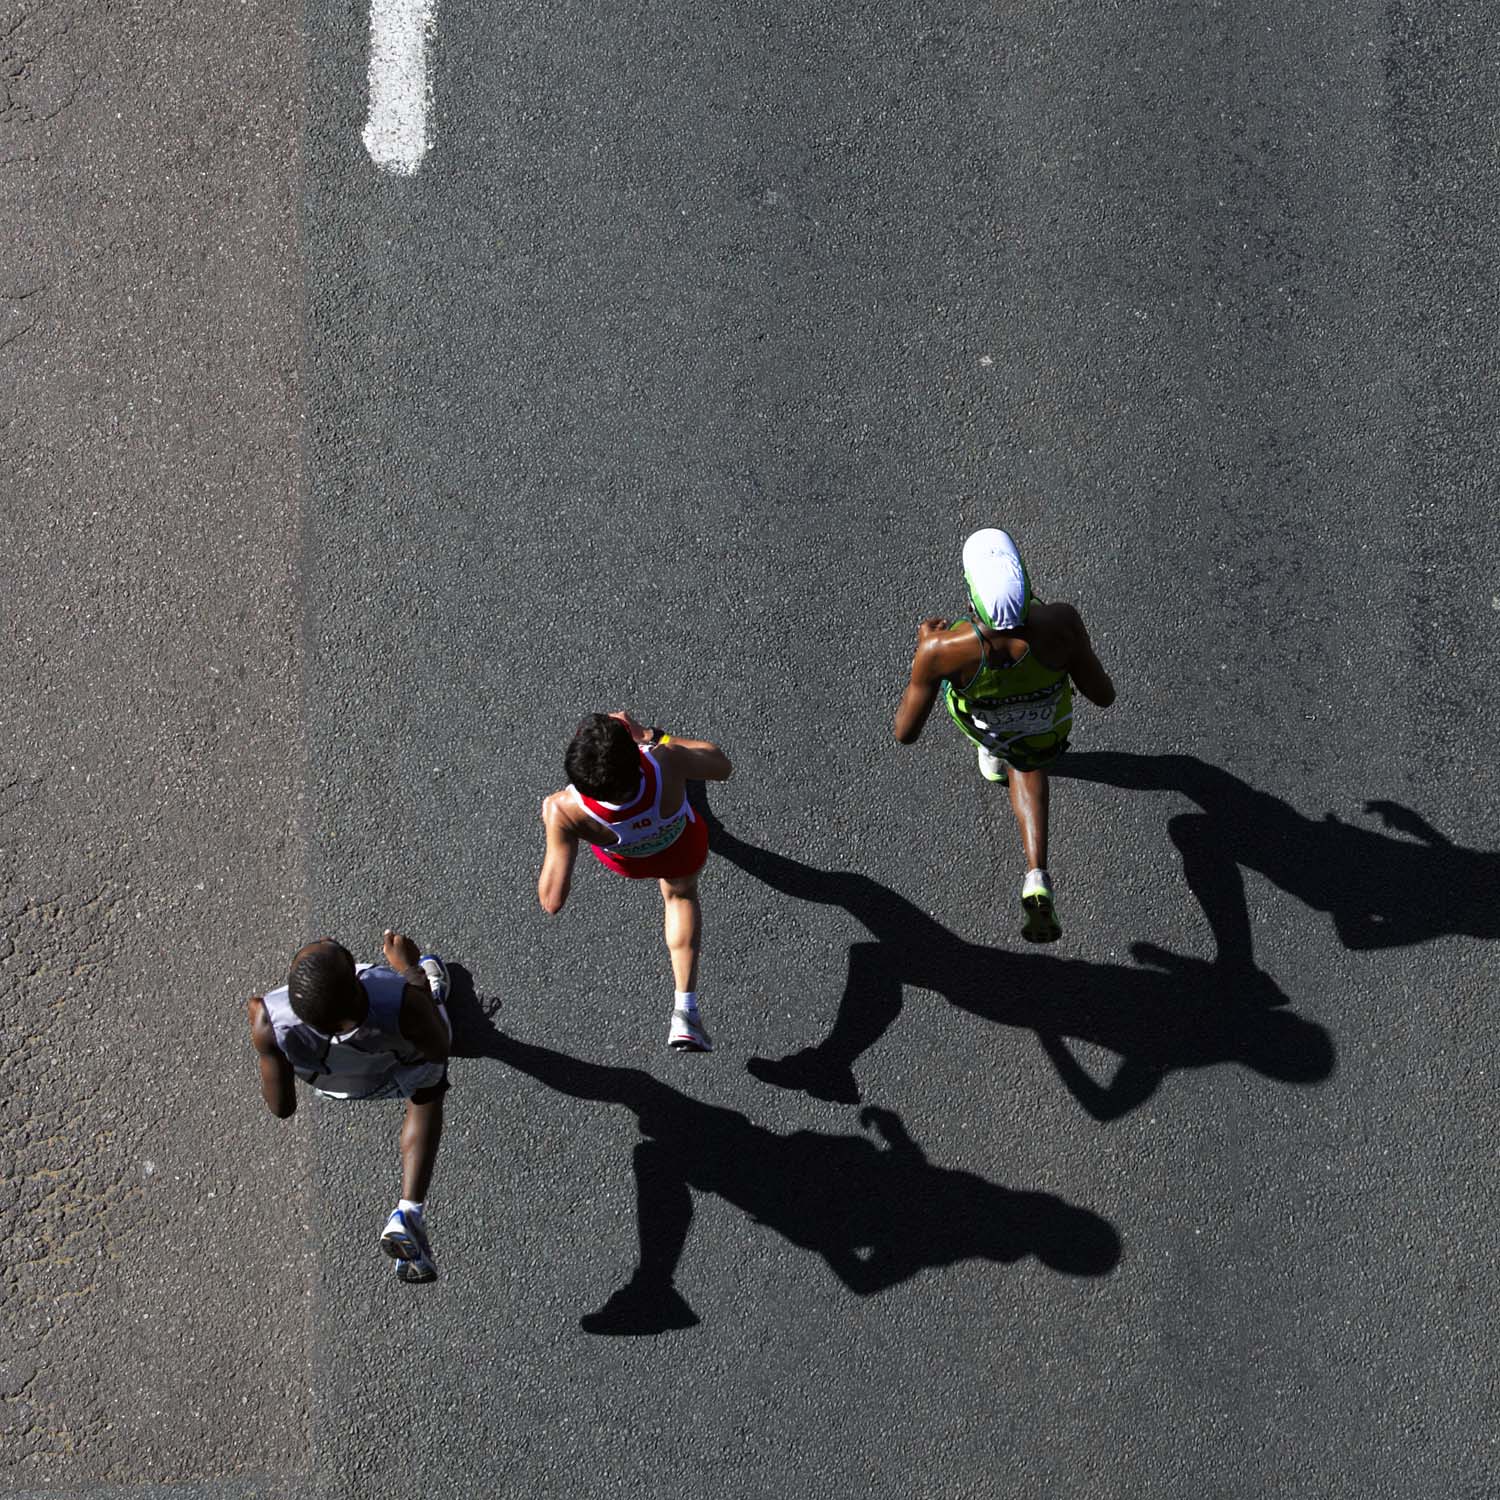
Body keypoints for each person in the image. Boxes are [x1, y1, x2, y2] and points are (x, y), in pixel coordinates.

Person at [892, 528, 1116, 942]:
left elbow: (904, 732)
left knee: (1009, 754)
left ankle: (995, 755)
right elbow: (1103, 695)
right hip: (1048, 731)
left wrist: (926, 649)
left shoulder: (942, 649)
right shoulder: (1061, 621)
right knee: (1029, 763)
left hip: (992, 729)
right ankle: (1035, 874)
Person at [247, 929, 452, 1283]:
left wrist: (269, 1047)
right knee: (427, 1092)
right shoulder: (399, 1000)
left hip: (341, 1086)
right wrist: (410, 972)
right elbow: (438, 1047)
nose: (326, 938)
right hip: (396, 1065)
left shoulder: (266, 1018)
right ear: (359, 985)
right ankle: (408, 1211)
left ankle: (410, 1220)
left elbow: (282, 1107)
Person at [538, 712, 733, 1051]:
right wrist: (651, 735)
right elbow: (720, 764)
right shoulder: (665, 761)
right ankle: (685, 1011)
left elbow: (552, 900)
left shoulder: (564, 809)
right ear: (635, 757)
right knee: (680, 895)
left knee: (674, 896)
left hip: (632, 861)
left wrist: (552, 821)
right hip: (680, 848)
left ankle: (688, 1016)